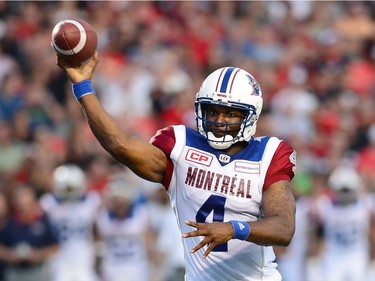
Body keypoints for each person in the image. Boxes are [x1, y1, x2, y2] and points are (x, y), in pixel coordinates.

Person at [55, 52, 297, 281]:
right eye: (213, 111)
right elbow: (119, 144)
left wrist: (234, 229)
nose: (219, 121)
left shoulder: (268, 155)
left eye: (230, 114)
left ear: (250, 116)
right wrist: (82, 86)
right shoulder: (180, 146)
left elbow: (284, 228)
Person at [39, 164, 101, 281]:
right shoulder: (48, 203)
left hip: (84, 254)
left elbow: (97, 229)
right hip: (59, 256)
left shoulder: (91, 201)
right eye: (67, 189)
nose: (70, 193)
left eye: (72, 188)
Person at [314, 165, 374, 281]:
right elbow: (317, 233)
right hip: (333, 257)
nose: (344, 194)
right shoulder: (325, 206)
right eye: (341, 190)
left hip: (357, 256)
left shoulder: (365, 204)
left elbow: (372, 231)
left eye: (347, 190)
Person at [95, 173, 156, 281]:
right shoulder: (102, 217)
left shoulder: (140, 215)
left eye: (122, 201)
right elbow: (96, 245)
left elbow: (150, 244)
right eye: (116, 201)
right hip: (111, 269)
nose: (120, 205)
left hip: (137, 268)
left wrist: (155, 270)